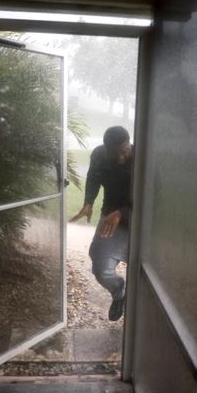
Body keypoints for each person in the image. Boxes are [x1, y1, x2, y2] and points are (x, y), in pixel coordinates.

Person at [70, 126, 132, 321]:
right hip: (109, 219)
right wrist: (88, 202)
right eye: (115, 154)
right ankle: (119, 292)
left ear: (129, 143)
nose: (120, 158)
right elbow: (93, 178)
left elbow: (154, 199)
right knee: (100, 267)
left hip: (139, 221)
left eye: (124, 152)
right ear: (107, 150)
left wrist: (121, 213)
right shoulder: (99, 155)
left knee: (145, 275)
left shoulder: (143, 158)